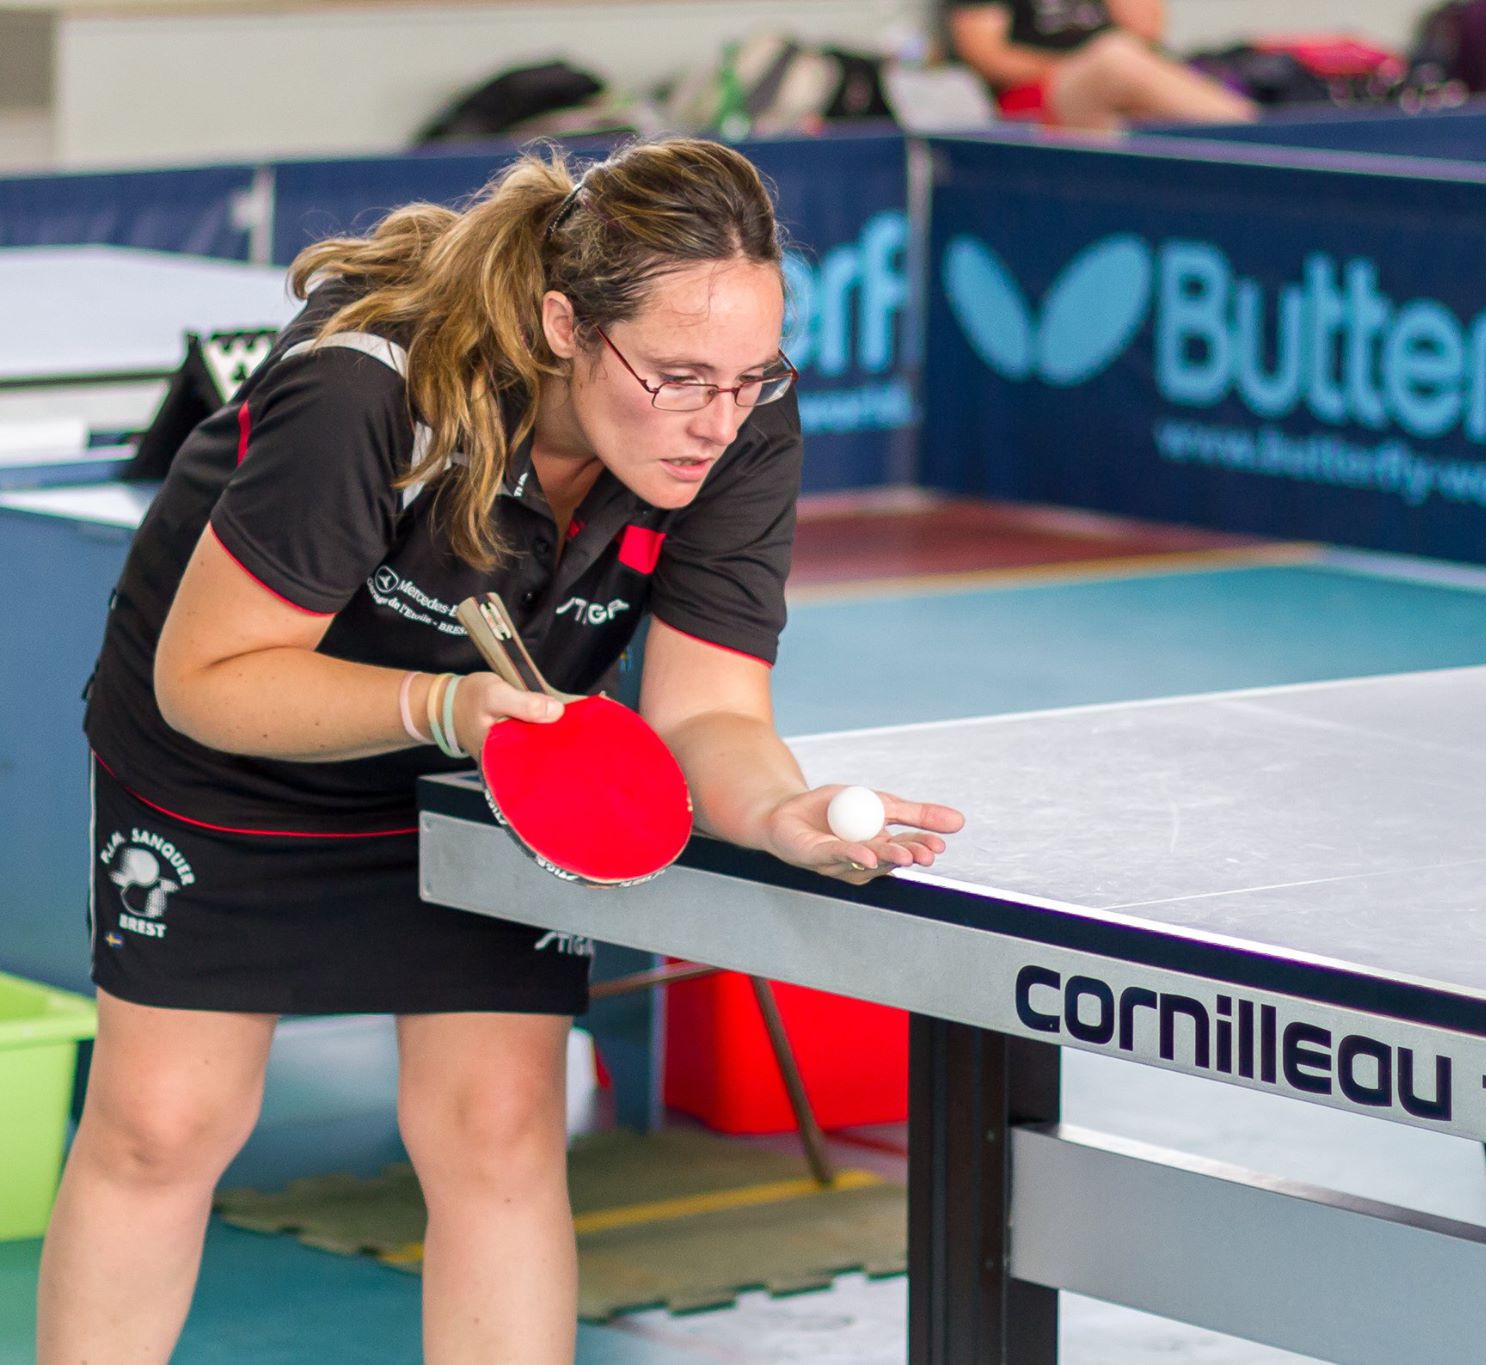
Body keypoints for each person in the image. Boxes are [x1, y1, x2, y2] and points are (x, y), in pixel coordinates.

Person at [36, 136, 964, 1364]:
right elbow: (208, 679)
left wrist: (774, 811)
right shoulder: (368, 395)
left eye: (751, 377)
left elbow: (707, 712)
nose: (717, 420)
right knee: (164, 1125)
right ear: (564, 325)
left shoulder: (737, 422)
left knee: (498, 1125)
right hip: (236, 747)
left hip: (489, 766)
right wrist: (441, 708)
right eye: (679, 377)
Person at [946, 0, 1256, 130]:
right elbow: (987, 57)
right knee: (1114, 58)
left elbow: (1147, 30)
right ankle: (1252, 133)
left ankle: (1247, 134)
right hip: (1036, 96)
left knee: (1124, 59)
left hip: (1121, 81)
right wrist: (1086, 67)